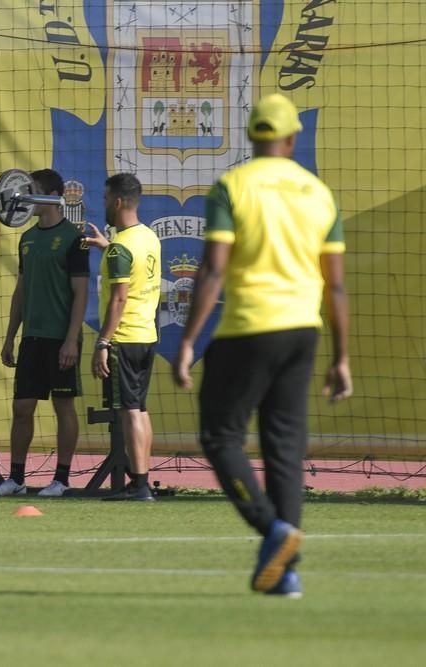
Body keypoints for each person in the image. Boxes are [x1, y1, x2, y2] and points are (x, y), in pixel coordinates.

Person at [173, 94, 351, 598]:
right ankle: (285, 573)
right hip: (303, 331)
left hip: (249, 328)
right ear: (293, 139)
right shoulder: (319, 194)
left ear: (252, 137)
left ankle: (271, 526)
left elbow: (212, 269)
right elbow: (335, 285)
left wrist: (188, 341)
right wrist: (340, 358)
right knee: (285, 449)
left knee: (220, 437)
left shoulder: (233, 186)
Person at [0, 169, 89, 497]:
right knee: (22, 408)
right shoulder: (27, 238)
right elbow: (22, 289)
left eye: (33, 191)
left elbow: (82, 293)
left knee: (63, 407)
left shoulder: (75, 237)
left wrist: (71, 339)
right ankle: (16, 479)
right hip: (32, 337)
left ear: (51, 195)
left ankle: (62, 479)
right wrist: (10, 336)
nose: (26, 196)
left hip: (61, 338)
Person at [85, 173, 161, 501]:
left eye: (104, 199)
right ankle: (141, 480)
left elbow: (119, 299)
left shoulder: (121, 248)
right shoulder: (147, 237)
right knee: (139, 409)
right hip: (146, 335)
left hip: (123, 338)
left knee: (129, 411)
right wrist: (107, 247)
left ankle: (141, 485)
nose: (102, 205)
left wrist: (102, 342)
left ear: (117, 202)